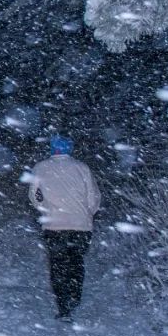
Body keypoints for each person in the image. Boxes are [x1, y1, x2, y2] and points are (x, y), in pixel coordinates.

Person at [28, 135, 101, 321]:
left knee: (58, 265)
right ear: (70, 148)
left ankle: (63, 306)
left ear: (52, 149)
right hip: (81, 225)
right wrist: (86, 214)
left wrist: (46, 210)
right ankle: (74, 298)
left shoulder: (40, 168)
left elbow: (34, 197)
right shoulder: (82, 168)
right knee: (76, 262)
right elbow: (93, 197)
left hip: (54, 225)